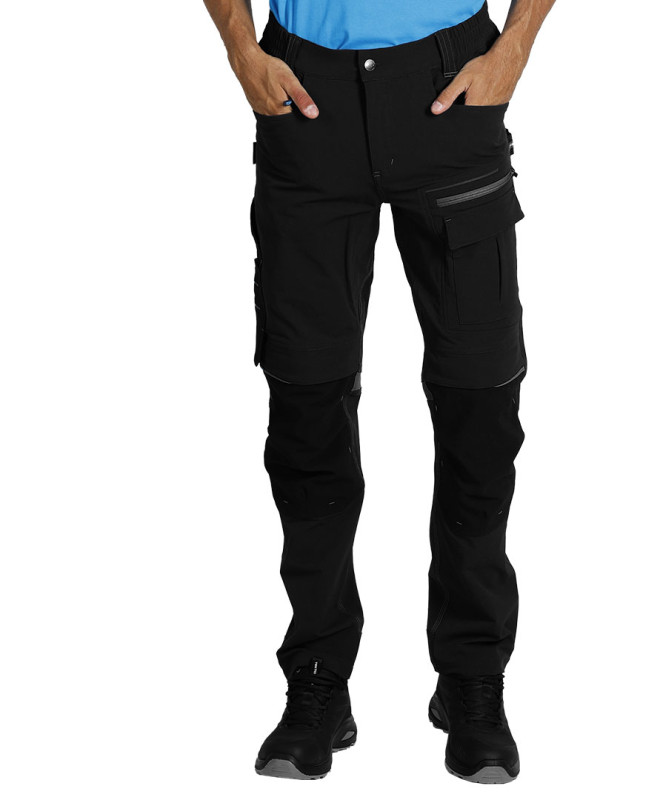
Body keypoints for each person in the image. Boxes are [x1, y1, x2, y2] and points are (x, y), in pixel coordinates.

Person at [203, 0, 556, 783]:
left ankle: (472, 678)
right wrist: (240, 49)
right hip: (304, 98)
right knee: (306, 403)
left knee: (480, 402)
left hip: (451, 89)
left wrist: (516, 45)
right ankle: (318, 682)